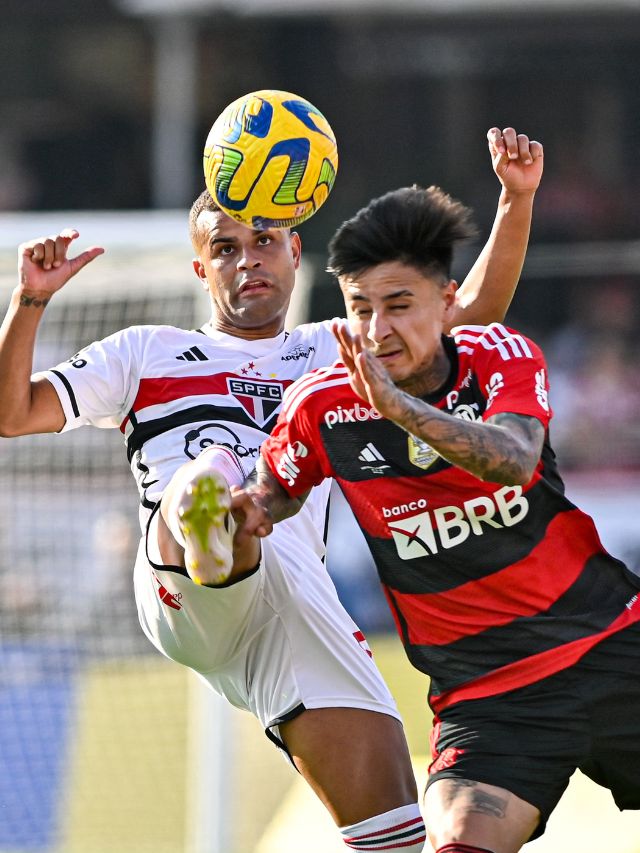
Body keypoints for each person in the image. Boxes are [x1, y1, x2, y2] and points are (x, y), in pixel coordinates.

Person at [0, 127, 542, 851]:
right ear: (201, 269)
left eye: (263, 241)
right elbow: (12, 413)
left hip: (290, 600)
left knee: (399, 834)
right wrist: (28, 302)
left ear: (295, 253)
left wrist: (516, 198)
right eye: (224, 248)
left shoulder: (335, 348)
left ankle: (227, 522)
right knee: (214, 472)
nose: (246, 260)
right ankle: (211, 527)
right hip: (184, 583)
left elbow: (468, 315)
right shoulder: (144, 351)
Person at [233, 182, 640, 852]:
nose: (377, 329)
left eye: (398, 305)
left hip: (608, 643)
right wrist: (242, 512)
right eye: (360, 308)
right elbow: (273, 491)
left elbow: (512, 459)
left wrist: (399, 409)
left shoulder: (497, 356)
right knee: (456, 842)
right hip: (489, 698)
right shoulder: (321, 406)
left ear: (447, 302)